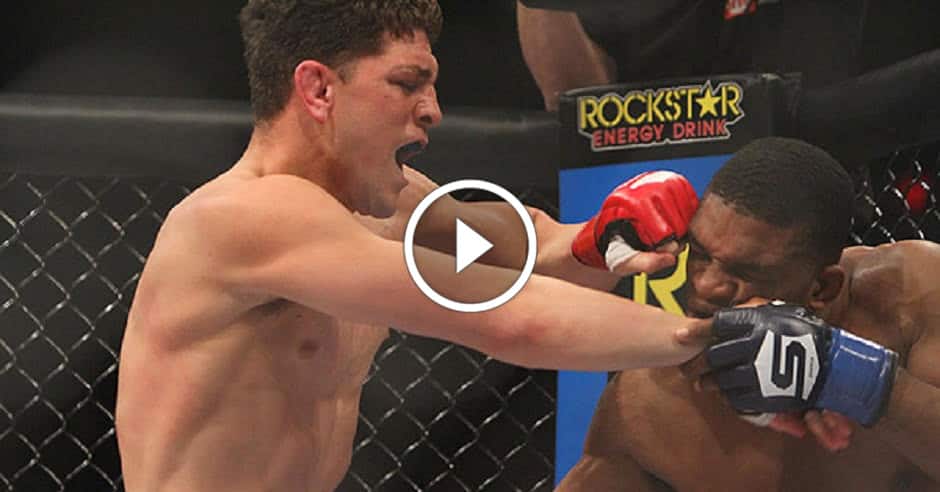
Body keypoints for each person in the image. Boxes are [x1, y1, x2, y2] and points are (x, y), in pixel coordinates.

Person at [113, 2, 729, 491]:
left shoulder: (389, 204)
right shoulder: (246, 218)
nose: (432, 111)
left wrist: (603, 236)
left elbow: (536, 256)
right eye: (407, 83)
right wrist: (714, 341)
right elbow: (511, 318)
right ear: (318, 89)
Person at [559, 137, 940, 491]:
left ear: (822, 289)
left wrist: (849, 376)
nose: (707, 285)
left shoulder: (915, 298)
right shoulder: (652, 398)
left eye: (746, 272)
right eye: (700, 253)